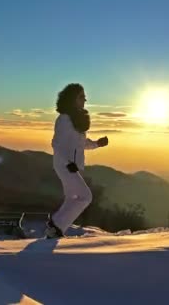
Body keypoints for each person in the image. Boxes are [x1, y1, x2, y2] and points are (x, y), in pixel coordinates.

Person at [46, 83, 109, 238]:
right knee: (86, 196)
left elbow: (81, 144)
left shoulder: (76, 120)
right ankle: (56, 224)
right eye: (81, 96)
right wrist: (68, 163)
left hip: (71, 165)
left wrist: (97, 144)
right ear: (72, 98)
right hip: (64, 165)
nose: (85, 99)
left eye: (84, 97)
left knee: (72, 198)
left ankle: (55, 231)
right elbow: (56, 144)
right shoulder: (64, 120)